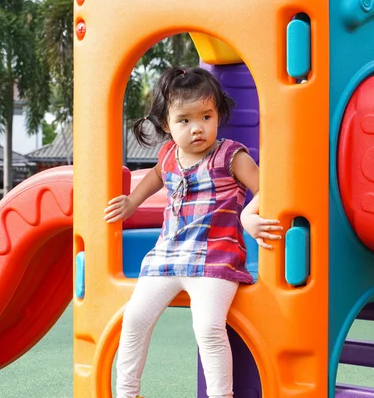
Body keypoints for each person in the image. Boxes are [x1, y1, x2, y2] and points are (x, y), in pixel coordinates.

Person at [104, 67, 282, 398]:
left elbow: (268, 189)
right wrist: (132, 201)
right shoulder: (169, 154)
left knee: (209, 328)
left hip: (215, 259)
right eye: (184, 120)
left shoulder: (231, 155)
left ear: (217, 115)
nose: (197, 128)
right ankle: (127, 393)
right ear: (166, 125)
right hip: (167, 257)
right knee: (134, 321)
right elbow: (156, 175)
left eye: (206, 116)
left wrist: (249, 215)